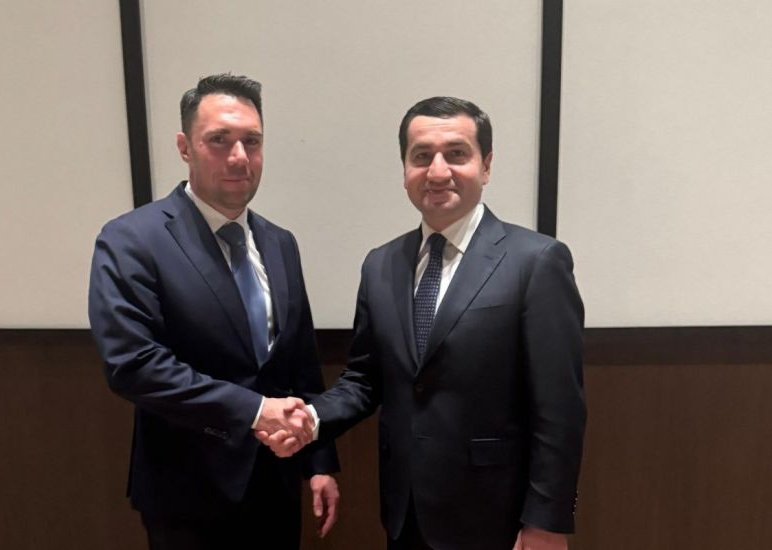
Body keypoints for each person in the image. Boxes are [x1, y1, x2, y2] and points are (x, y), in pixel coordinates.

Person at [260, 96, 585, 550]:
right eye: (421, 156)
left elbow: (560, 408)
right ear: (405, 169)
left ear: (486, 166)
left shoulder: (536, 261)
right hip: (405, 510)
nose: (437, 171)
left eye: (456, 153)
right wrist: (311, 419)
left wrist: (546, 522)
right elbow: (364, 380)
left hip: (499, 516)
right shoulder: (380, 264)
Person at [88, 73, 339, 550]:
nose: (239, 156)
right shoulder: (132, 239)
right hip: (187, 493)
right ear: (185, 147)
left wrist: (319, 462)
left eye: (252, 141)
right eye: (219, 140)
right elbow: (133, 365)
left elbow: (300, 363)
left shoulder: (280, 243)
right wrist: (255, 411)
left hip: (277, 485)